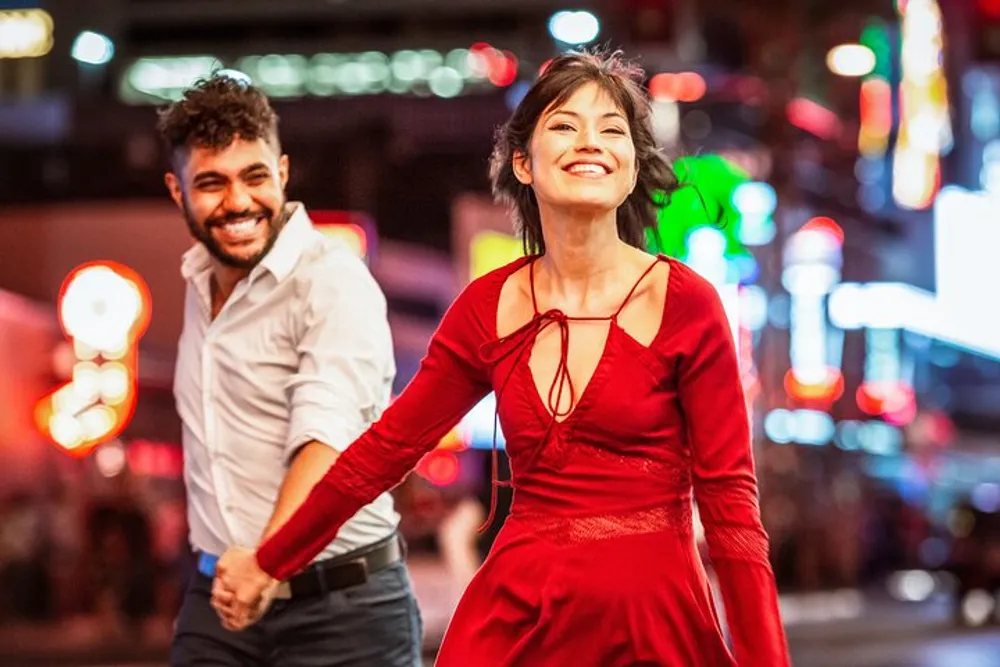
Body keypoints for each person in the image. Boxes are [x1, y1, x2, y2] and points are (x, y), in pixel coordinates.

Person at [214, 51, 790, 666]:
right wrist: (272, 560)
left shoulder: (688, 304)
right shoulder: (485, 308)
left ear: (629, 173)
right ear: (524, 162)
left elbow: (732, 513)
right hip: (515, 623)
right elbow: (381, 454)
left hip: (653, 625)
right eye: (565, 126)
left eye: (612, 129)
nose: (589, 142)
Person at [158, 75, 422, 666]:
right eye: (211, 183)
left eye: (254, 177)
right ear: (178, 192)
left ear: (282, 171)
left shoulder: (331, 279)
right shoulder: (199, 280)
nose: (238, 202)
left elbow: (324, 439)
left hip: (343, 609)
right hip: (219, 601)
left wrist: (267, 563)